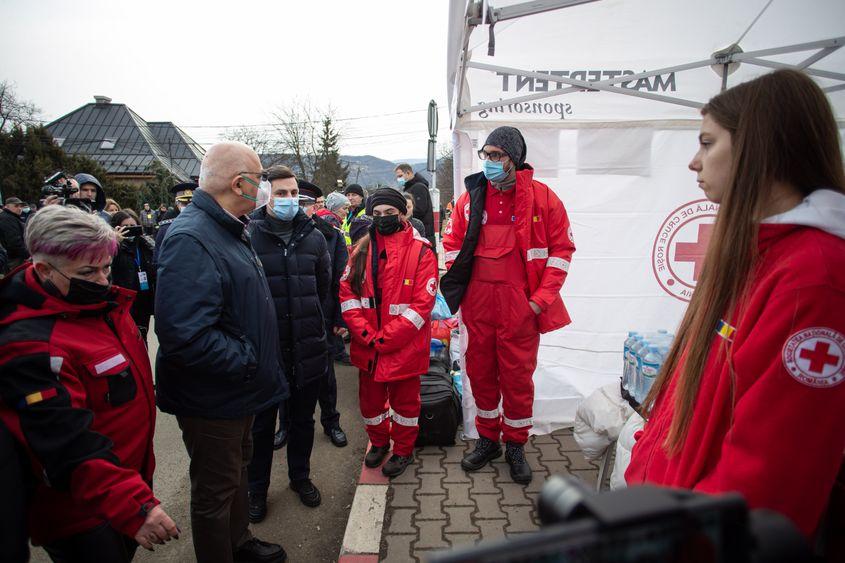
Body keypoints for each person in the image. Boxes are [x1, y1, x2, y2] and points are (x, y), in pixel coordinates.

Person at [626, 70, 845, 542]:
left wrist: (674, 543)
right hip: (668, 520)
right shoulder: (756, 255)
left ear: (758, 147)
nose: (693, 162)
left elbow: (768, 481)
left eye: (707, 143)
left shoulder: (813, 280)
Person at [0, 205, 179, 561]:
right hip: (83, 513)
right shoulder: (30, 343)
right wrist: (134, 506)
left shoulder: (98, 303)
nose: (101, 280)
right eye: (87, 271)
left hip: (126, 480)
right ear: (44, 270)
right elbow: (65, 442)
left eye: (107, 268)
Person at [155, 141, 288, 563]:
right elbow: (185, 335)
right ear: (239, 183)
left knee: (236, 471)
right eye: (261, 177)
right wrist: (248, 360)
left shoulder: (228, 226)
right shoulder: (191, 238)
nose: (265, 187)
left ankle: (240, 542)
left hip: (235, 390)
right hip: (212, 396)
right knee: (215, 489)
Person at [441, 125, 575, 484]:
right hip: (479, 305)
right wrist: (460, 286)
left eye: (497, 155)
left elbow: (562, 252)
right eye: (486, 155)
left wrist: (538, 302)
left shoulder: (545, 199)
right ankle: (488, 439)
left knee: (517, 378)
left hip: (520, 307)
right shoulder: (471, 199)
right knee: (480, 373)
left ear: (514, 160)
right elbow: (452, 242)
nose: (489, 162)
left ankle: (515, 444)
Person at [245, 167, 330, 521]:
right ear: (265, 195)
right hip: (266, 353)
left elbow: (323, 290)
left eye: (293, 193)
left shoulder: (314, 237)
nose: (289, 200)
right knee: (262, 428)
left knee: (302, 423)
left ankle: (300, 478)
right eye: (281, 193)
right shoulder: (248, 235)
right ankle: (257, 491)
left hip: (306, 349)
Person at [340, 188, 438, 478]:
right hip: (368, 345)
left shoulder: (421, 251)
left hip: (403, 347)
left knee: (406, 405)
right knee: (370, 403)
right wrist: (366, 334)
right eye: (377, 214)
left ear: (402, 214)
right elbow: (347, 296)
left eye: (389, 213)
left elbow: (422, 305)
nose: (382, 219)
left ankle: (404, 449)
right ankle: (380, 442)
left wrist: (387, 338)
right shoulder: (360, 250)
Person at [300, 180, 350, 447]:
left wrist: (341, 319)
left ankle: (331, 422)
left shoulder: (330, 235)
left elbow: (341, 281)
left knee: (325, 379)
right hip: (286, 325)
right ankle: (286, 426)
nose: (300, 208)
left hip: (322, 320)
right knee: (289, 382)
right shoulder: (262, 234)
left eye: (306, 203)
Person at [110, 210, 156, 342]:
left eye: (133, 226)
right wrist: (114, 243)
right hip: (125, 300)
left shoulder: (145, 244)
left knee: (142, 337)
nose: (130, 230)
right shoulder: (114, 247)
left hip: (144, 298)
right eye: (125, 227)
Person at [153, 181, 195, 265]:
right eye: (184, 203)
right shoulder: (167, 222)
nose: (188, 207)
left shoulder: (204, 220)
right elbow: (158, 255)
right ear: (177, 203)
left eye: (191, 203)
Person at [395, 164, 436, 250]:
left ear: (408, 173)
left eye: (400, 176)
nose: (398, 179)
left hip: (422, 233)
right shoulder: (411, 188)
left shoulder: (418, 188)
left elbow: (420, 210)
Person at [0, 197, 29, 271]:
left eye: (21, 206)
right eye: (16, 206)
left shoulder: (12, 217)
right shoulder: (8, 219)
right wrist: (27, 254)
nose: (20, 208)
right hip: (14, 258)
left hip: (15, 256)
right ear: (7, 206)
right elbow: (14, 241)